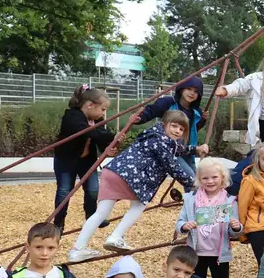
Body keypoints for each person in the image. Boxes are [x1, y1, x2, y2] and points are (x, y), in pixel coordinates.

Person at [69, 110, 200, 260]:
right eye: (174, 126)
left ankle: (77, 249)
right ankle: (116, 236)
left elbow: (178, 149)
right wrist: (194, 182)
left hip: (113, 171)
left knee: (101, 213)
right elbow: (174, 168)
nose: (177, 131)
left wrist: (195, 149)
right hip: (131, 176)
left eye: (181, 129)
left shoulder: (155, 135)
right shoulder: (163, 142)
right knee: (138, 205)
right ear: (164, 125)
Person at [176, 158, 243, 278]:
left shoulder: (229, 201)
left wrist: (236, 227)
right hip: (196, 253)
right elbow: (180, 222)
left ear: (222, 178)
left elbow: (235, 230)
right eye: (205, 177)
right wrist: (184, 226)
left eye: (214, 177)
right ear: (199, 179)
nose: (210, 181)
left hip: (218, 255)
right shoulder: (191, 199)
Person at [54, 85, 112, 230]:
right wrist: (110, 136)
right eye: (102, 109)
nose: (103, 114)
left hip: (86, 161)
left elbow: (101, 137)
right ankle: (59, 222)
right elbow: (89, 133)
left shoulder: (96, 121)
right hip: (67, 161)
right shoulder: (72, 116)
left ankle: (92, 217)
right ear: (90, 105)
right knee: (64, 191)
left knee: (93, 189)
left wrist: (109, 145)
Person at [135, 77, 205, 173]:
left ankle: (196, 188)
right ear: (182, 89)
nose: (192, 93)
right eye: (189, 89)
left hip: (187, 149)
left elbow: (194, 129)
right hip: (170, 149)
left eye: (196, 91)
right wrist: (140, 118)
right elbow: (152, 111)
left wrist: (203, 119)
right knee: (191, 177)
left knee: (197, 178)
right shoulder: (168, 103)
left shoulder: (196, 111)